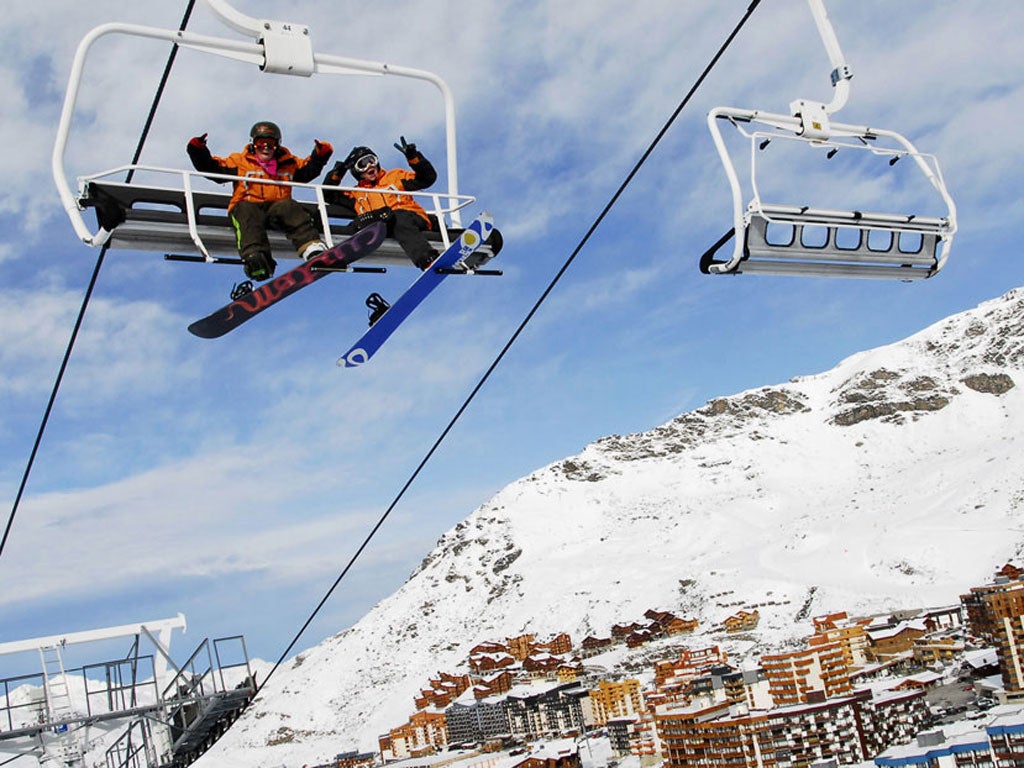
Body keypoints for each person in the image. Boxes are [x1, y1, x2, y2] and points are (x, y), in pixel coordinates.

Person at [186, 121, 333, 281]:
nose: (265, 147)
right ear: (253, 143)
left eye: (270, 144)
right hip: (249, 208)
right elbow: (214, 168)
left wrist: (320, 155)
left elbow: (306, 171)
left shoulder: (288, 162)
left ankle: (311, 247)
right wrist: (198, 151)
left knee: (289, 206)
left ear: (277, 145)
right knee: (245, 210)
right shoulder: (240, 161)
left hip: (277, 211)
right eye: (260, 143)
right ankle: (256, 258)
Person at [322, 137, 439, 270]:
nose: (369, 165)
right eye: (362, 164)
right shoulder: (356, 193)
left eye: (372, 160)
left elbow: (427, 178)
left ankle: (427, 259)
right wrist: (340, 170)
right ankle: (334, 259)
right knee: (364, 221)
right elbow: (328, 193)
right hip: (380, 228)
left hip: (409, 218)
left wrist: (414, 158)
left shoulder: (395, 177)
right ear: (356, 171)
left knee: (397, 216)